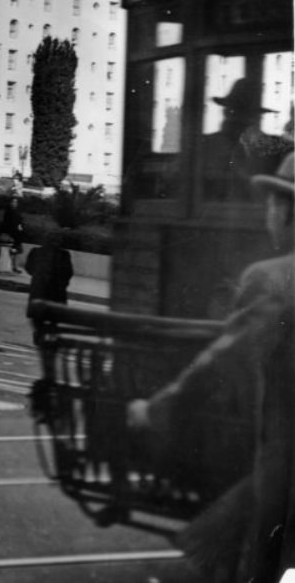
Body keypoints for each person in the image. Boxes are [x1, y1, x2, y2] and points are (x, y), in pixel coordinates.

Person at [127, 152, 295, 582]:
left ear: (289, 210)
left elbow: (222, 359)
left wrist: (156, 410)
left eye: (275, 202)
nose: (268, 213)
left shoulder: (273, 277)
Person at [199, 77, 292, 202]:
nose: (232, 118)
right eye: (231, 111)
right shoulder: (207, 145)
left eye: (241, 113)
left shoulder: (275, 147)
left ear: (254, 117)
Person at [25, 228, 73, 306]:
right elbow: (69, 272)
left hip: (39, 291)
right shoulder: (64, 255)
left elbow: (29, 268)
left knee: (37, 314)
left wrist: (38, 277)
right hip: (57, 291)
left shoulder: (36, 251)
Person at [0, 196, 25, 274]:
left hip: (16, 234)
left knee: (17, 250)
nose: (14, 204)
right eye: (13, 202)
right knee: (12, 250)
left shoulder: (16, 212)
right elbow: (8, 224)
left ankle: (14, 266)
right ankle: (10, 267)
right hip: (11, 234)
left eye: (15, 202)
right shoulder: (9, 212)